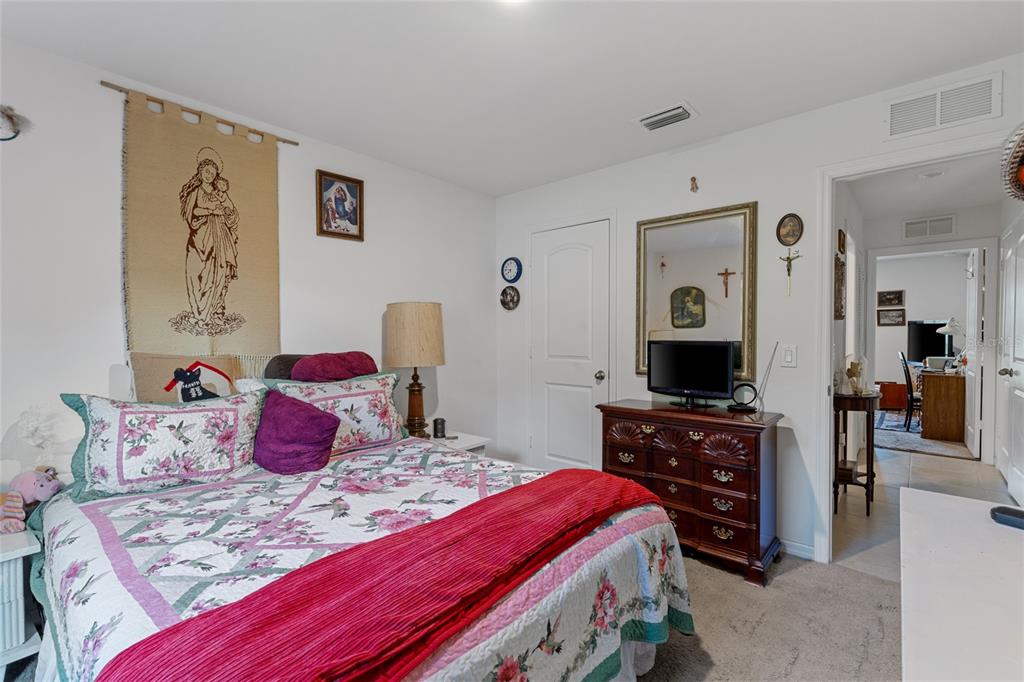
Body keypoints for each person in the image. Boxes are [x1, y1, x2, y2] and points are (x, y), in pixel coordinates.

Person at [178, 150, 239, 330]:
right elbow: (191, 213)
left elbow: (232, 211)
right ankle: (198, 313)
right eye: (206, 171)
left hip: (219, 239)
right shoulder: (196, 192)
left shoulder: (220, 192)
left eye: (212, 173)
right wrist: (211, 210)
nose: (209, 175)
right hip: (200, 238)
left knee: (219, 272)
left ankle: (216, 312)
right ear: (200, 171)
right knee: (196, 273)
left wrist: (227, 212)